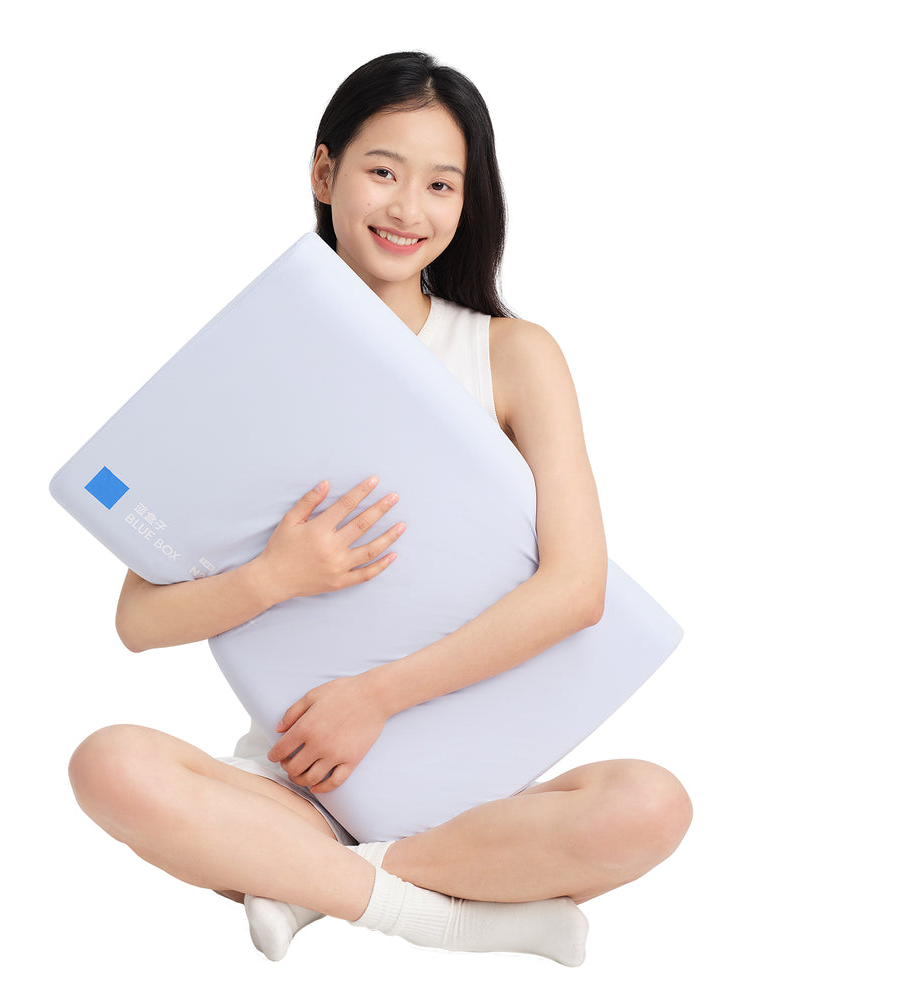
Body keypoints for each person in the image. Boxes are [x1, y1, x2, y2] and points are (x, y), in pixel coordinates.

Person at [68, 51, 692, 966]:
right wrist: (278, 575)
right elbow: (138, 620)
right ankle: (445, 913)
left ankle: (313, 885)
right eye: (383, 172)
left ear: (468, 204)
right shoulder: (249, 365)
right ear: (325, 174)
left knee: (653, 804)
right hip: (298, 783)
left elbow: (578, 589)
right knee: (109, 764)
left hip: (483, 790)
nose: (408, 209)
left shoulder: (515, 357)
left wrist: (374, 697)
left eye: (442, 184)